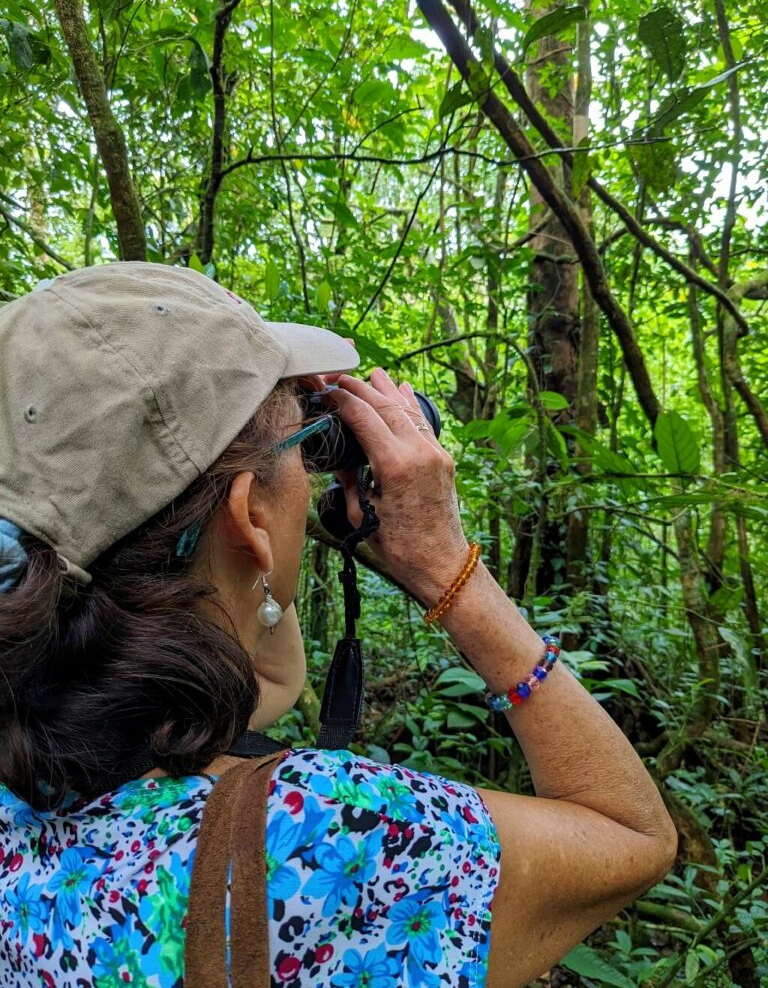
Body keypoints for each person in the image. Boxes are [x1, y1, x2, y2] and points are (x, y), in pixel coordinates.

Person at [0, 263, 677, 988]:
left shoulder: (31, 738)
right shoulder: (322, 837)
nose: (313, 465)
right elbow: (632, 836)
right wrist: (448, 569)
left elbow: (265, 682)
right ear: (248, 519)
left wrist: (263, 459)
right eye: (306, 449)